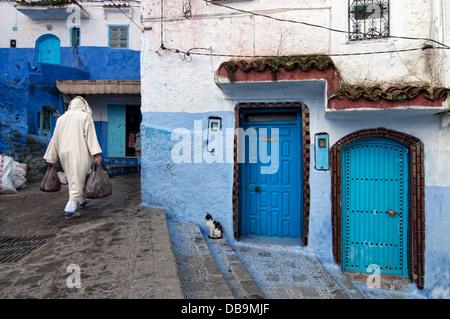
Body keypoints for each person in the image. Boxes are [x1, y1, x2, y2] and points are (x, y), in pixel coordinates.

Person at [44, 96, 102, 219]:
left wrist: (52, 157)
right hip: (79, 151)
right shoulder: (85, 116)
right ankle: (70, 208)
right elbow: (90, 137)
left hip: (64, 152)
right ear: (83, 106)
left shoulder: (61, 119)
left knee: (74, 176)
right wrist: (96, 154)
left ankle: (82, 200)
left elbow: (55, 139)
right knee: (78, 176)